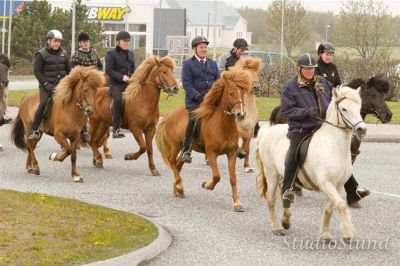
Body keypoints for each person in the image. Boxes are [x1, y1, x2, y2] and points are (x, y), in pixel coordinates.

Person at [316, 42, 370, 207]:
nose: (329, 56)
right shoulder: (316, 68)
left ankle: (351, 188)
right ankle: (352, 190)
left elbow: (338, 85)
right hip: (320, 103)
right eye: (327, 53)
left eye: (331, 54)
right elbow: (319, 89)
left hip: (334, 104)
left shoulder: (333, 67)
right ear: (320, 54)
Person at [280, 53, 332, 208]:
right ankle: (287, 188)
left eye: (313, 69)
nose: (310, 71)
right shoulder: (290, 86)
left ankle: (351, 187)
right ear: (299, 68)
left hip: (321, 126)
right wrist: (305, 112)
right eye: (307, 69)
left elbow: (331, 101)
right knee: (294, 152)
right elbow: (286, 110)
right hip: (300, 128)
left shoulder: (323, 82)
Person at [181, 36, 220, 163]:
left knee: (228, 114)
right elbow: (187, 84)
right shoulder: (188, 64)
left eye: (205, 47)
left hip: (212, 100)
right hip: (195, 100)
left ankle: (233, 147)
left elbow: (218, 82)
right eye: (201, 47)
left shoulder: (213, 63)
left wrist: (215, 96)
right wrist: (199, 97)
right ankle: (186, 150)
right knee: (193, 120)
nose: (204, 49)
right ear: (195, 49)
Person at [28, 29, 71, 141]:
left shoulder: (64, 53)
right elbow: (37, 72)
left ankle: (83, 130)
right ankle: (34, 129)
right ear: (49, 41)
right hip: (46, 86)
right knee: (43, 104)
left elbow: (69, 71)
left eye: (59, 41)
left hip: (61, 86)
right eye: (55, 41)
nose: (57, 43)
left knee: (76, 101)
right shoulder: (41, 54)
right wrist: (46, 84)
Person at [71, 31, 103, 143]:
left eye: (88, 41)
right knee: (84, 104)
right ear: (80, 43)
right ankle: (83, 130)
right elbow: (74, 70)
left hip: (94, 83)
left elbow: (100, 65)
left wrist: (98, 75)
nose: (86, 43)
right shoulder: (76, 55)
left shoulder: (94, 52)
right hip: (82, 82)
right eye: (84, 42)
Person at [105, 30, 135, 138]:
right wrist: (122, 77)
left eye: (128, 41)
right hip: (116, 84)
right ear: (118, 42)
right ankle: (116, 129)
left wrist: (132, 77)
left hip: (129, 83)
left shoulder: (131, 54)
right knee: (118, 100)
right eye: (124, 41)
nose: (126, 43)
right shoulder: (111, 53)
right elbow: (109, 70)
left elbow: (133, 69)